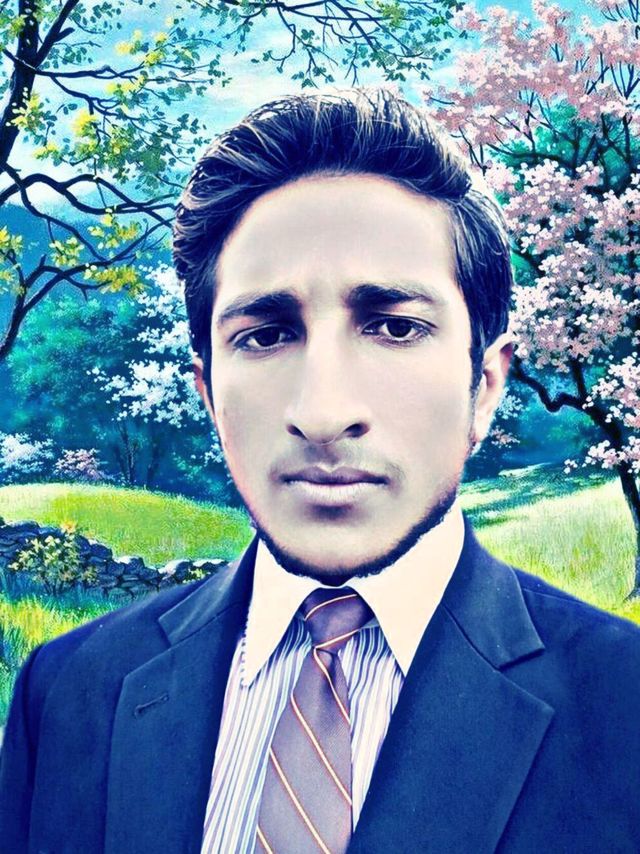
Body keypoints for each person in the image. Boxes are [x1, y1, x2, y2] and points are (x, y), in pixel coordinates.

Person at [1, 88, 639, 854]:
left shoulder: (624, 702)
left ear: (486, 385)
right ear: (208, 394)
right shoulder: (68, 691)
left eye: (395, 327)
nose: (324, 412)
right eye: (266, 335)